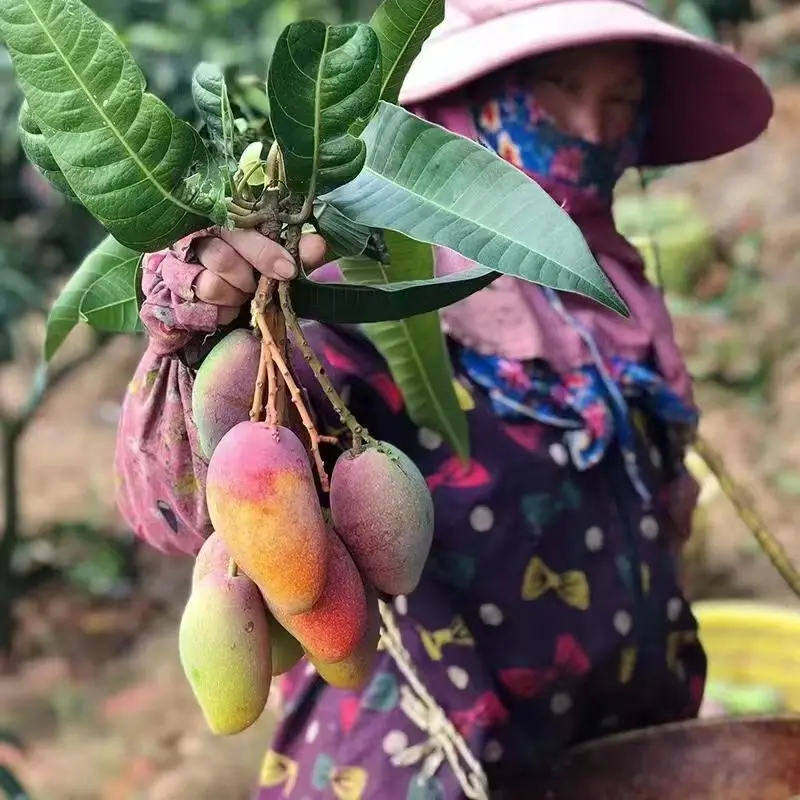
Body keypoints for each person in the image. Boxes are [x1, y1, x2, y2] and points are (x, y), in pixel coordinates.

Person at [113, 0, 773, 797]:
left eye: (623, 97)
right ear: (454, 110)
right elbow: (184, 509)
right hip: (430, 764)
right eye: (555, 85)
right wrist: (201, 323)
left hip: (617, 738)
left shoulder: (614, 282)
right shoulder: (358, 287)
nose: (593, 126)